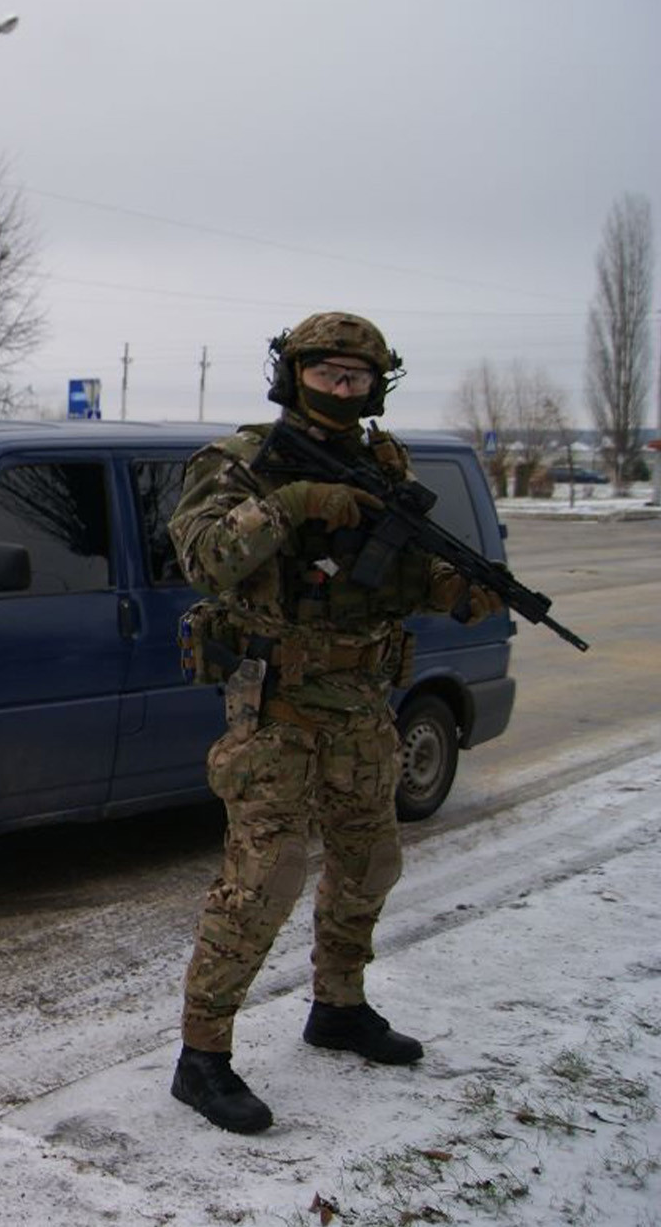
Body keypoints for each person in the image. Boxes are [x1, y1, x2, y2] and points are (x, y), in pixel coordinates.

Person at [166, 312, 503, 1134]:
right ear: (294, 374)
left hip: (362, 708)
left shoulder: (383, 463)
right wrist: (290, 504)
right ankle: (202, 1056)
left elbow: (394, 575)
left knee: (369, 862)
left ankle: (339, 1006)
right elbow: (204, 557)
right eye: (328, 374)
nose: (342, 389)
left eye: (358, 377)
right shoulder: (242, 462)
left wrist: (456, 588)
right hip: (275, 707)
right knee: (265, 879)